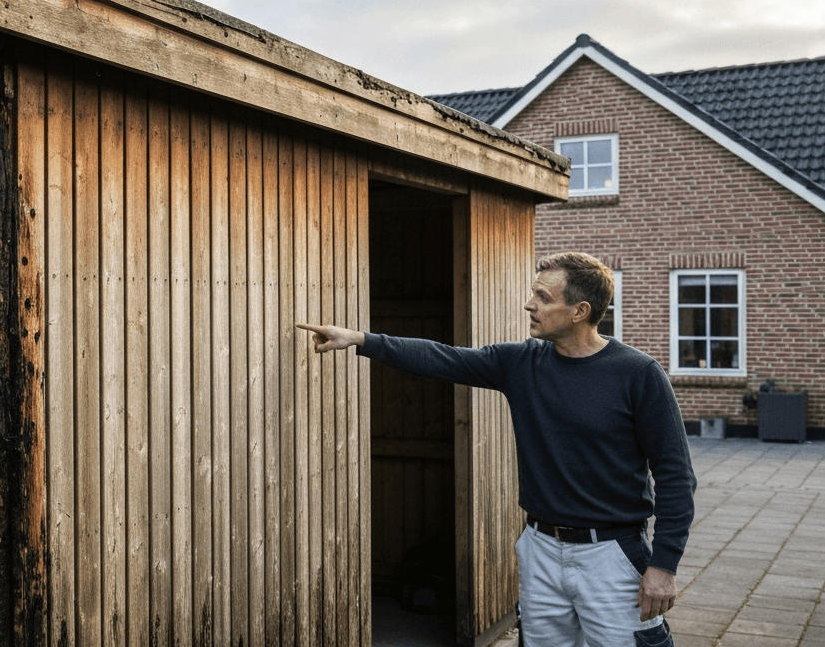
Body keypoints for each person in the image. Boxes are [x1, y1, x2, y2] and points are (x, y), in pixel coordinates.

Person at [297, 251, 693, 647]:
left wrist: (664, 565)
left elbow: (676, 475)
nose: (529, 304)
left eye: (543, 297)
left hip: (611, 555)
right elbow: (444, 358)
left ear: (579, 310)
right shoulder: (521, 362)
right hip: (540, 549)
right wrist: (361, 340)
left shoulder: (638, 374)